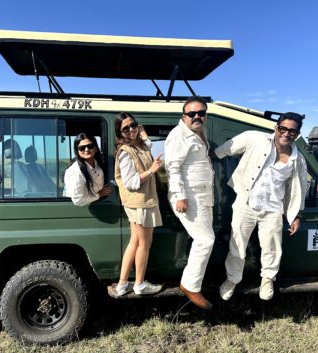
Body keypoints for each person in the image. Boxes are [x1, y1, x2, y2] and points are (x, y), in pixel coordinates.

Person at [215, 112, 308, 301]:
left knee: (272, 247)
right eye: (283, 128)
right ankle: (232, 279)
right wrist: (213, 155)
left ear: (297, 134)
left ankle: (267, 280)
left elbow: (299, 189)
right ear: (276, 128)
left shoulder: (298, 160)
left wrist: (297, 214)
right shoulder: (255, 138)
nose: (286, 133)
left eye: (292, 131)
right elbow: (227, 147)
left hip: (273, 209)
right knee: (237, 245)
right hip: (245, 203)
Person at [164, 96, 215, 309]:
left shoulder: (198, 133)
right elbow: (172, 166)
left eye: (201, 113)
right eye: (192, 114)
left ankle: (193, 282)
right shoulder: (179, 136)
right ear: (183, 116)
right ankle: (190, 284)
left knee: (203, 239)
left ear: (205, 115)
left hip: (202, 196)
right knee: (205, 240)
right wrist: (180, 195)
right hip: (189, 197)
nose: (197, 117)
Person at [114, 112, 163, 296]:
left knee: (134, 242)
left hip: (138, 203)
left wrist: (143, 134)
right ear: (119, 132)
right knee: (144, 243)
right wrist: (151, 171)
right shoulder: (126, 153)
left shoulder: (138, 145)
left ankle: (121, 285)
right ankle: (140, 284)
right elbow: (131, 183)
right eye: (125, 128)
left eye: (133, 125)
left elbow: (146, 147)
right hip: (141, 203)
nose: (131, 130)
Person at [64, 133, 111, 206]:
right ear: (77, 151)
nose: (86, 149)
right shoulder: (75, 171)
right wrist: (99, 194)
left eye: (90, 146)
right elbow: (78, 200)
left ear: (95, 148)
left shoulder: (98, 163)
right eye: (82, 148)